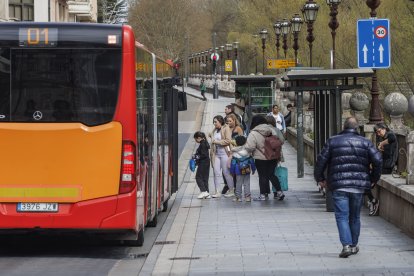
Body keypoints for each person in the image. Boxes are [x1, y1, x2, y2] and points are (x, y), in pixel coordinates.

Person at [314, 117, 382, 258]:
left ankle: (346, 245)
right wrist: (373, 179)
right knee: (355, 216)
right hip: (357, 186)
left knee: (341, 216)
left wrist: (320, 178)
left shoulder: (333, 141)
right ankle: (353, 245)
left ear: (344, 127)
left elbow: (321, 160)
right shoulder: (365, 142)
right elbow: (378, 160)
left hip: (339, 185)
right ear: (356, 128)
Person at [244, 115, 285, 201]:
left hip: (260, 158)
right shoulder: (272, 130)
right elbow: (278, 141)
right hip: (272, 157)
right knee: (271, 174)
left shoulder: (253, 133)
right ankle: (279, 192)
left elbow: (250, 147)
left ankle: (263, 195)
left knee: (262, 176)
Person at [365, 123, 398, 216]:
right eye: (377, 133)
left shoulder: (390, 134)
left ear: (384, 128)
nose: (378, 134)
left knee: (366, 181)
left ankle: (373, 201)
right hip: (382, 165)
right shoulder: (382, 137)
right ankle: (372, 200)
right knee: (365, 180)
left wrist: (381, 144)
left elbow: (392, 139)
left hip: (388, 166)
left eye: (379, 131)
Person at [209, 115, 235, 198]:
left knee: (226, 173)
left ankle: (231, 190)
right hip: (216, 154)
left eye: (215, 122)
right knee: (216, 173)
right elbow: (212, 138)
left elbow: (228, 140)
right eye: (213, 122)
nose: (214, 123)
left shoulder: (226, 128)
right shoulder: (214, 130)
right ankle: (217, 191)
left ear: (220, 122)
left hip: (225, 153)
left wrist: (217, 142)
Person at [265, 115, 286, 198]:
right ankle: (276, 192)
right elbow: (282, 140)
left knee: (265, 174)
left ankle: (265, 192)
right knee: (272, 173)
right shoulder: (277, 130)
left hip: (264, 154)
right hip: (275, 155)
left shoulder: (263, 130)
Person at [230, 135, 255, 202]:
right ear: (245, 142)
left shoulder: (235, 152)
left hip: (238, 170)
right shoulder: (248, 151)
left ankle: (238, 197)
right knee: (247, 183)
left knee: (238, 183)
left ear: (236, 143)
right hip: (246, 169)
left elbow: (233, 163)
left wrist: (232, 172)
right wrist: (253, 169)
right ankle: (248, 197)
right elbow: (251, 161)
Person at [193, 131, 211, 199]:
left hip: (203, 163)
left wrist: (196, 157)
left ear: (199, 138)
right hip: (206, 162)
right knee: (205, 178)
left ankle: (203, 191)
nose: (196, 141)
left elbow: (203, 155)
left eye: (196, 139)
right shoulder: (205, 143)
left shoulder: (202, 144)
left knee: (198, 177)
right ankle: (207, 192)